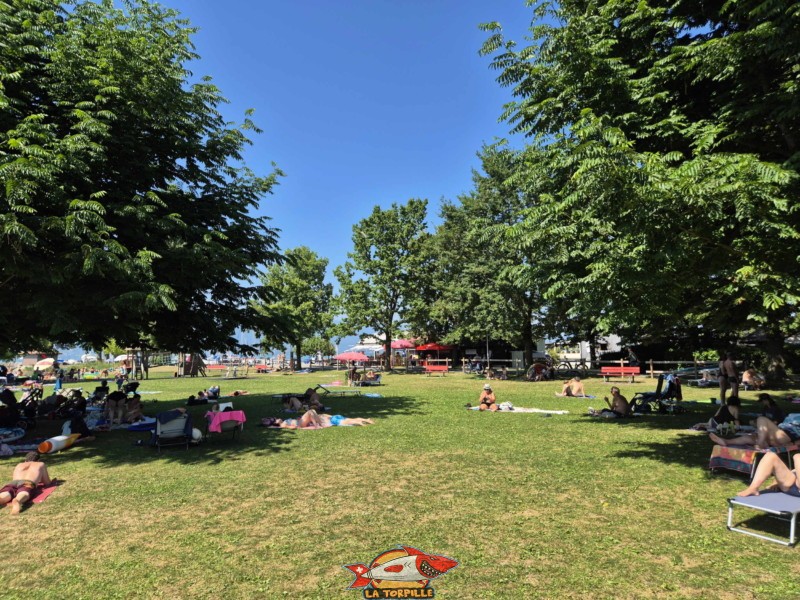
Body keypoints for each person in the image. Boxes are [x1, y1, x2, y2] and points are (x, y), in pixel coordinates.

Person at [710, 414, 800, 449]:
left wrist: (794, 444)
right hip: (777, 435)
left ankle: (760, 443)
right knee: (752, 437)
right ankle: (727, 441)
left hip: (785, 435)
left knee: (761, 419)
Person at [736, 452, 800, 498]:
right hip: (792, 484)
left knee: (797, 457)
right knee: (770, 455)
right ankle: (753, 488)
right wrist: (777, 480)